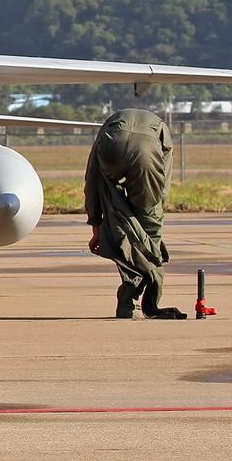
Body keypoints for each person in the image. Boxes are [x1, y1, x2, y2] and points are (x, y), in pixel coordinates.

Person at [84, 108, 187, 319]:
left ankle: (127, 303)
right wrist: (150, 214)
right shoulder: (161, 129)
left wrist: (97, 227)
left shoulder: (109, 125)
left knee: (116, 217)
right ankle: (148, 298)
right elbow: (161, 188)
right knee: (148, 234)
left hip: (113, 145)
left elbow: (92, 180)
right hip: (147, 151)